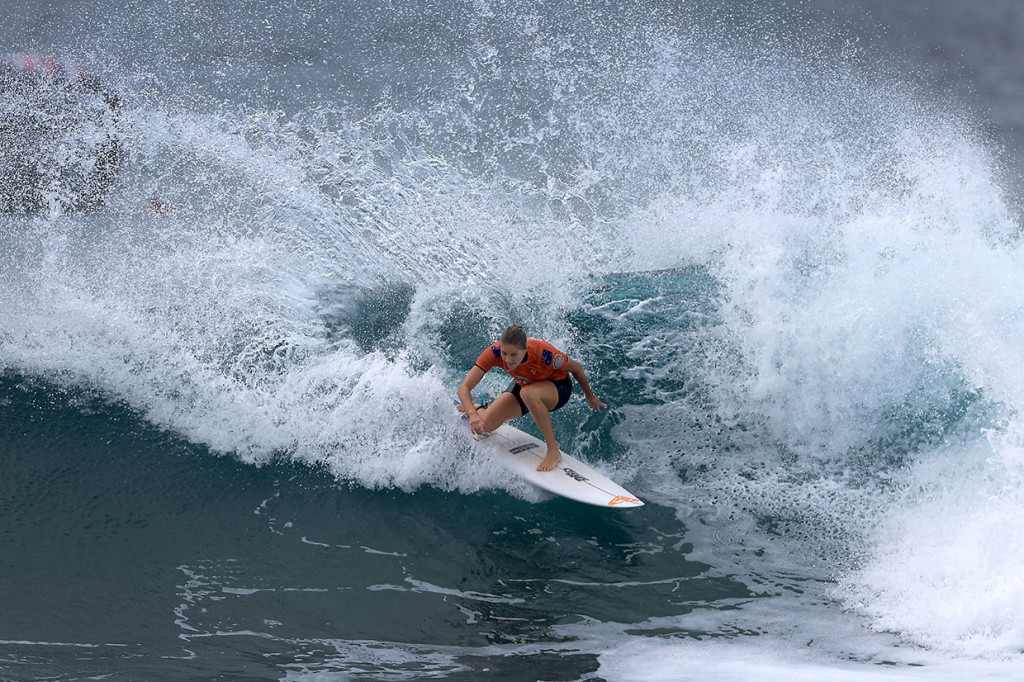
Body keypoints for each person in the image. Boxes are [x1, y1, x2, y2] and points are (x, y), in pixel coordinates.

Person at [458, 324, 607, 472]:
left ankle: (553, 450)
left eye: (514, 355)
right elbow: (464, 388)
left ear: (525, 350)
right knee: (484, 426)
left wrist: (590, 396)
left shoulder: (546, 354)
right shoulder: (494, 352)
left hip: (557, 388)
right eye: (504, 353)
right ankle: (478, 408)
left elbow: (577, 369)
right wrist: (472, 413)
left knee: (528, 393)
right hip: (526, 384)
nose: (508, 360)